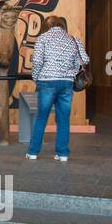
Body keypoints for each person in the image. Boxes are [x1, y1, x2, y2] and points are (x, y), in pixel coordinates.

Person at [26, 15, 89, 163]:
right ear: (62, 25)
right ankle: (62, 154)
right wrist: (72, 70)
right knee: (63, 119)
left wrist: (36, 77)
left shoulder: (42, 38)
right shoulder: (73, 39)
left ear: (46, 26)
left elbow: (37, 61)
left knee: (42, 117)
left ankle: (33, 152)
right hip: (66, 83)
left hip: (47, 81)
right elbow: (84, 59)